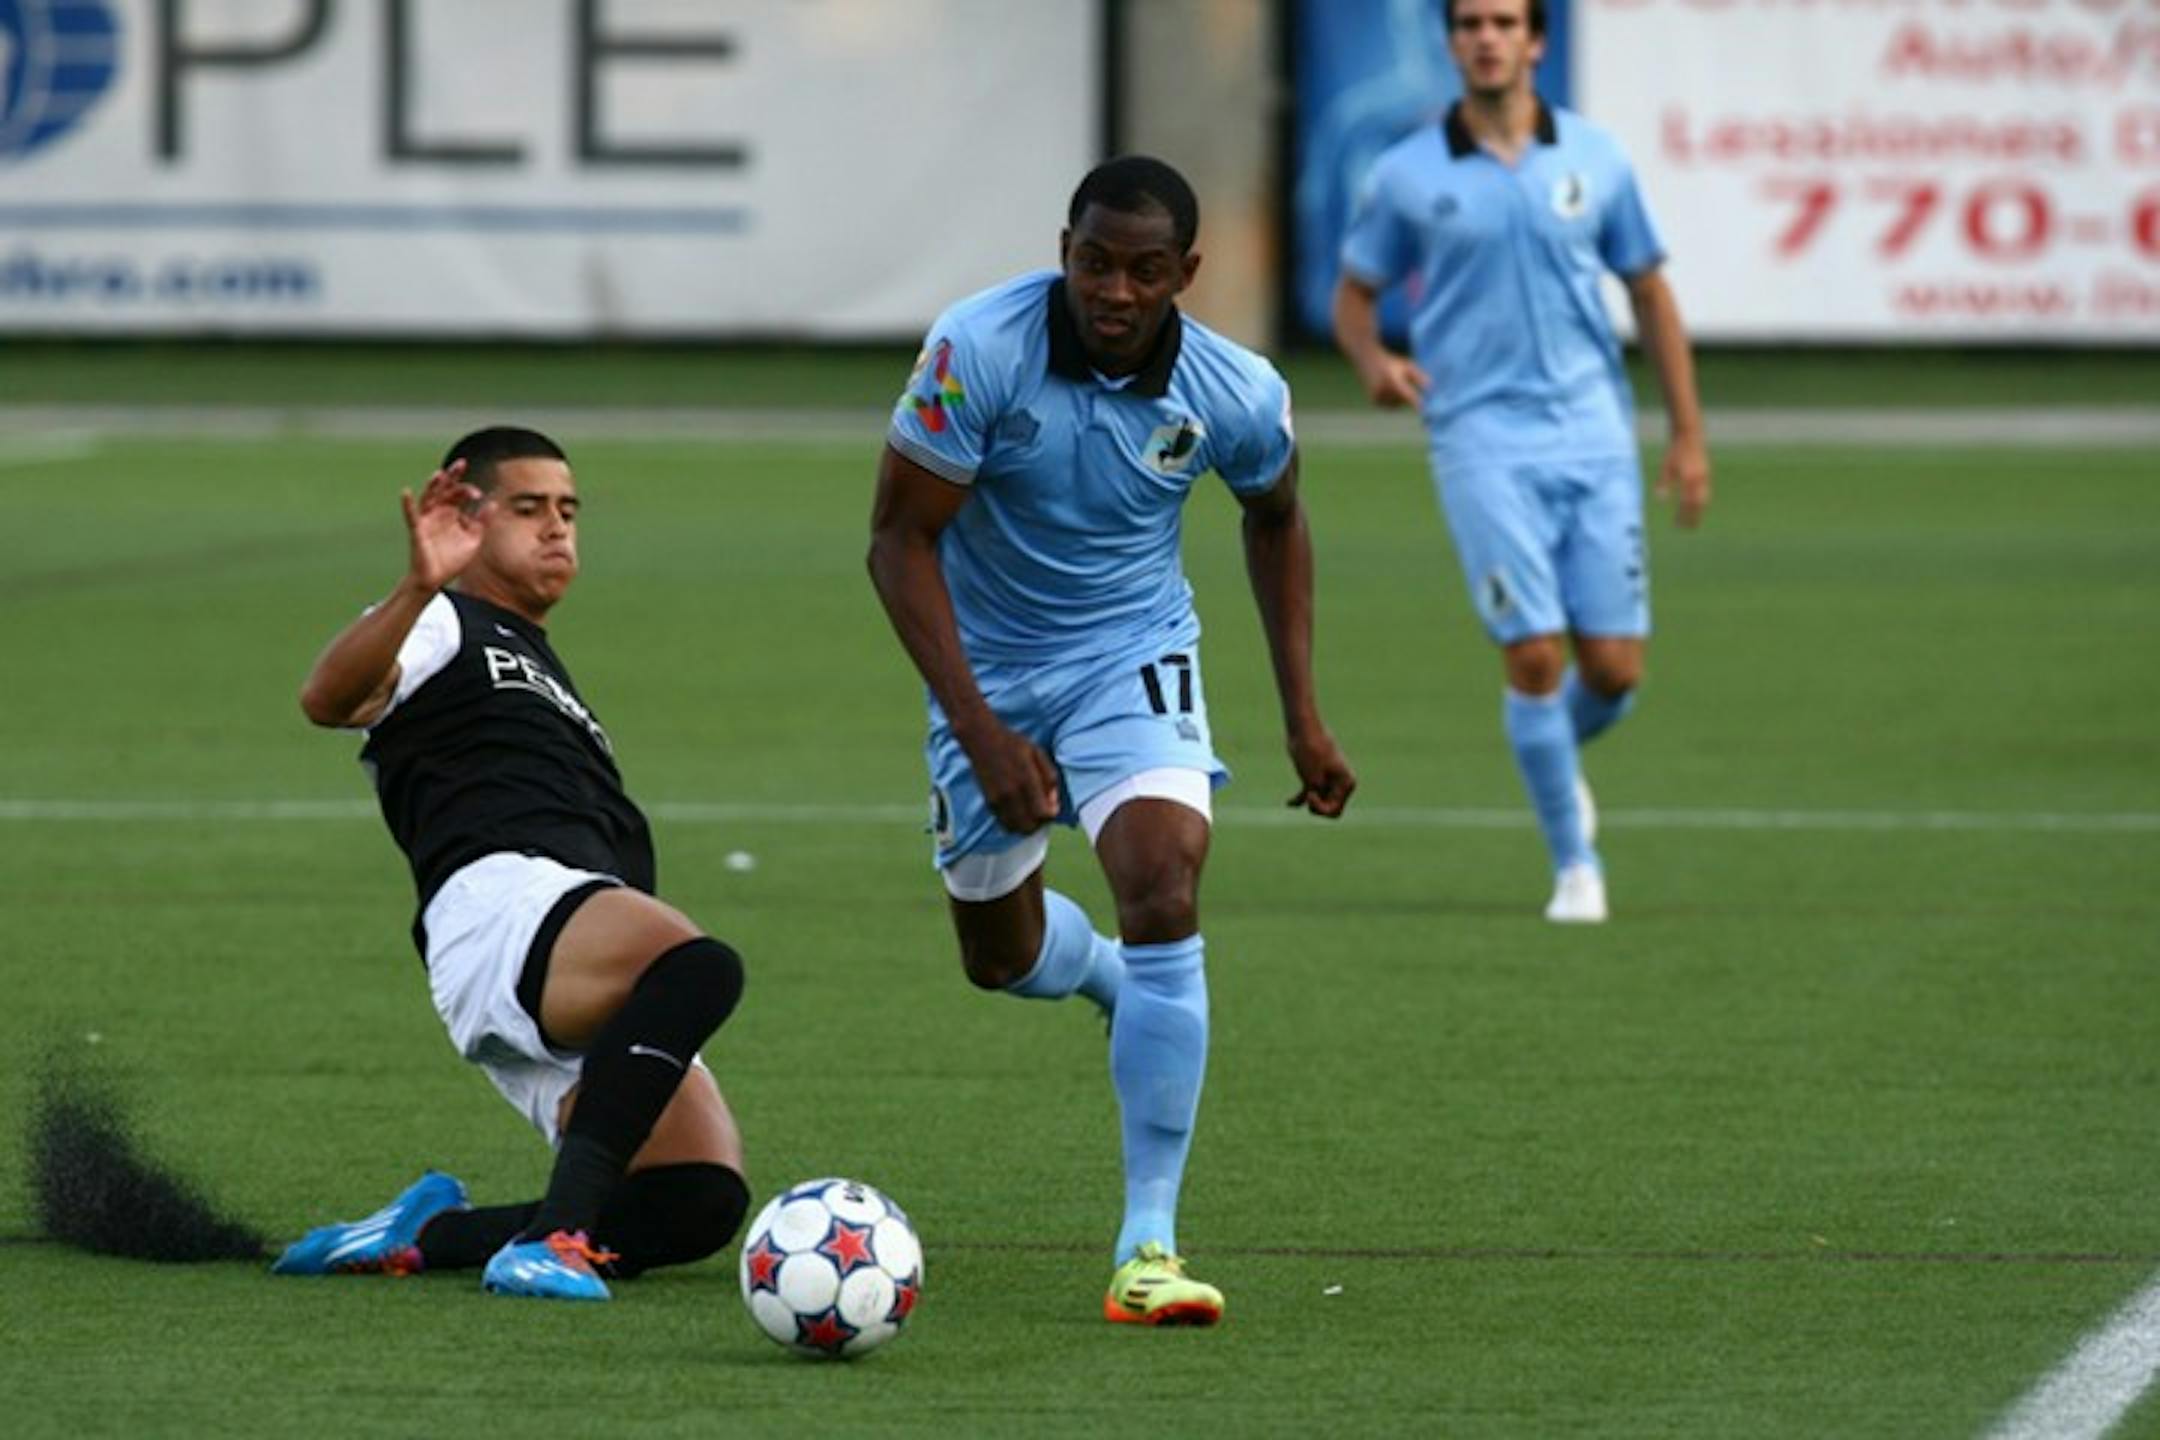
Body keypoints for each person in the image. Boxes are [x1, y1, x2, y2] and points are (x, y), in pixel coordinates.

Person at [867, 156, 1357, 1327]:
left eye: (1146, 271)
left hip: (1129, 653)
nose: (1116, 291)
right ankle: (1101, 978)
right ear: (1066, 250)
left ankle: (1149, 1245)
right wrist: (981, 730)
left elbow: (1277, 517)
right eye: (1095, 262)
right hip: (981, 671)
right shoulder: (976, 351)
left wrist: (1301, 712)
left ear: (1188, 273)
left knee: (1162, 880)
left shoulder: (1234, 392)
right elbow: (897, 541)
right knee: (998, 956)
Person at [274, 426, 750, 1301]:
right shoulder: (444, 621)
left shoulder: (540, 664)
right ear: (468, 519)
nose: (557, 528)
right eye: (528, 508)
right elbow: (329, 699)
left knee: (695, 1200)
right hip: (501, 906)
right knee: (698, 966)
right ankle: (553, 1239)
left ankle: (431, 1235)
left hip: (559, 940)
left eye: (569, 511)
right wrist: (421, 583)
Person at [1331, 0, 1711, 923]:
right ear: (1453, 43)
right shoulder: (1407, 173)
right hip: (1478, 435)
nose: (1487, 37)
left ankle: (1549, 755)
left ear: (1536, 42)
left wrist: (1688, 436)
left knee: (1614, 671)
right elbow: (1354, 295)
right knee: (1536, 654)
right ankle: (1575, 865)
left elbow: (1650, 292)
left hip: (1593, 431)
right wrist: (1377, 364)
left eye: (1504, 21)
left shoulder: (1596, 158)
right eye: (1469, 23)